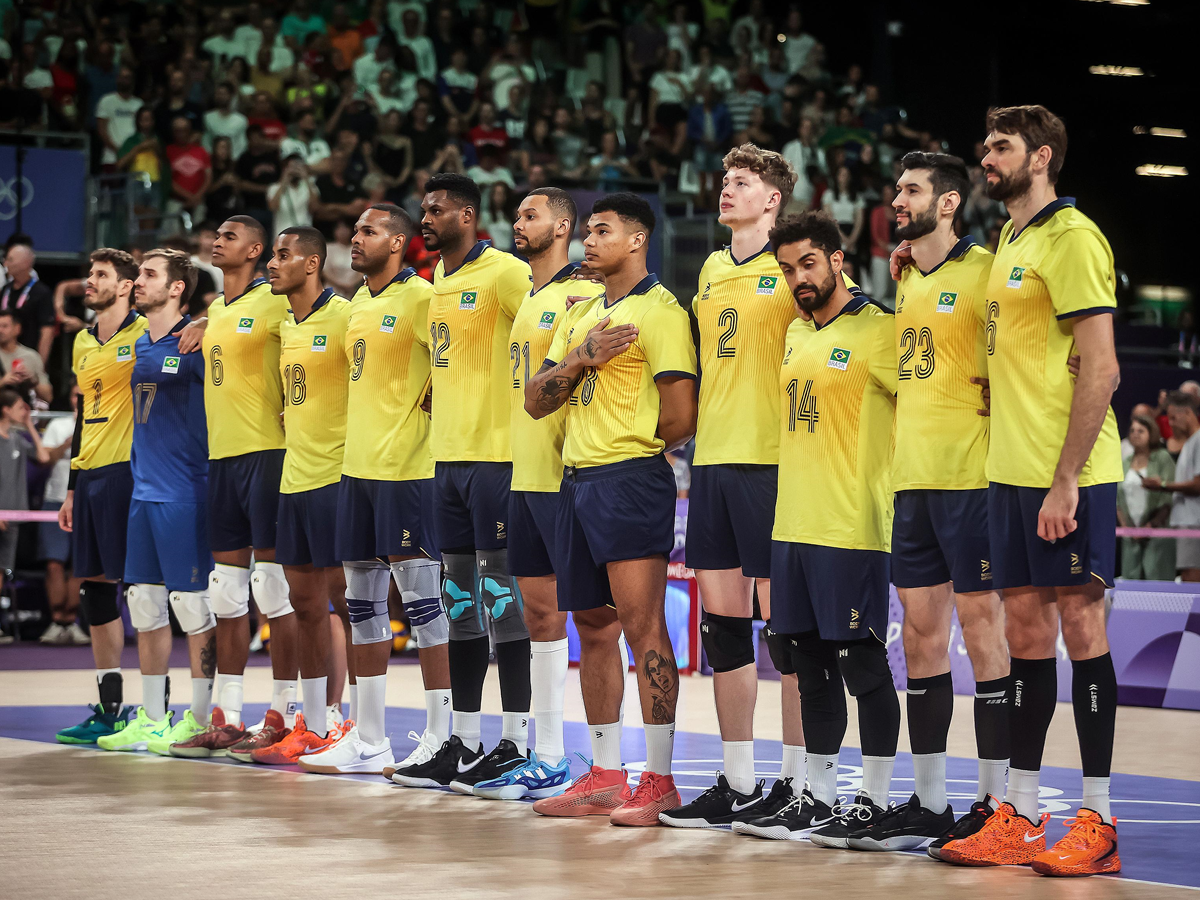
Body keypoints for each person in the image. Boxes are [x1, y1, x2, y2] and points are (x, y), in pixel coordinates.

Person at [937, 105, 1123, 878]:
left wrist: (1067, 478)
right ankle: (1020, 812)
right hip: (1008, 474)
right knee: (1023, 640)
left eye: (1002, 145)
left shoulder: (1073, 239)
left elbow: (1103, 367)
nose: (987, 155)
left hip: (1065, 475)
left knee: (1082, 631)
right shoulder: (1011, 240)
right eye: (985, 144)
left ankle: (1100, 819)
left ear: (1041, 157)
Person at [846, 152, 1009, 854]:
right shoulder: (908, 276)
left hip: (971, 481)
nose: (896, 199)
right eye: (896, 189)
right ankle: (932, 801)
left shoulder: (987, 270)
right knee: (918, 639)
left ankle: (999, 801)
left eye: (911, 190)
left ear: (948, 204)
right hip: (910, 483)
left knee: (983, 631)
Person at [525, 192, 697, 826]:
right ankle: (603, 772)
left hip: (628, 479)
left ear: (637, 241)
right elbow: (536, 400)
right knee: (591, 628)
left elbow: (681, 415)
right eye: (587, 231)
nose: (588, 243)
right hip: (574, 479)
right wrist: (581, 359)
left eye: (602, 232)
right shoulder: (581, 314)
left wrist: (630, 448)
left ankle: (659, 779)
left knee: (640, 625)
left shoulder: (662, 312)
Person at [660, 145, 806, 830]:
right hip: (713, 465)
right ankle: (738, 780)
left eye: (741, 183)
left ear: (772, 199)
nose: (726, 191)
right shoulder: (713, 268)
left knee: (790, 635)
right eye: (724, 181)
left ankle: (800, 783)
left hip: (775, 464)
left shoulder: (796, 264)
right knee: (723, 630)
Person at [742, 211, 899, 847]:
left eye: (807, 264)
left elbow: (929, 398)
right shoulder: (796, 334)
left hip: (853, 525)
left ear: (837, 259)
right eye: (785, 269)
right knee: (804, 664)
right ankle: (820, 794)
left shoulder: (880, 330)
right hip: (794, 525)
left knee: (860, 662)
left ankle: (880, 802)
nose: (797, 279)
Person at [393, 174, 535, 791]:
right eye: (423, 210)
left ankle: (518, 743)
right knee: (460, 609)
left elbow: (545, 324)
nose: (426, 218)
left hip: (498, 459)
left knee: (503, 605)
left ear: (469, 215)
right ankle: (465, 741)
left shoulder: (504, 272)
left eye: (437, 210)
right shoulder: (434, 283)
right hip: (443, 464)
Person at [300, 203, 450, 776]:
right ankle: (369, 739)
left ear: (399, 243)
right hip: (356, 472)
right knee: (361, 606)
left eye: (369, 231)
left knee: (423, 606)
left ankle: (440, 737)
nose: (355, 239)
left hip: (408, 472)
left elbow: (451, 369)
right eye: (356, 230)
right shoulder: (358, 302)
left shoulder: (421, 297)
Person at [473, 188, 607, 801]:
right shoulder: (528, 297)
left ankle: (583, 757)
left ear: (564, 225)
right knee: (537, 615)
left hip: (563, 474)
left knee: (589, 618)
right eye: (518, 216)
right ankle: (544, 753)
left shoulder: (582, 293)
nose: (518, 224)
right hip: (519, 473)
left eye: (531, 216)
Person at [169, 216, 300, 760]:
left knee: (274, 591)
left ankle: (287, 715)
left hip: (270, 455)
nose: (215, 242)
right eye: (214, 236)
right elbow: (224, 316)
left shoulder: (278, 300)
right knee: (226, 592)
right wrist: (204, 316)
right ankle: (227, 717)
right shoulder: (219, 309)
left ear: (255, 249)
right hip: (222, 459)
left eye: (227, 237)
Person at [96, 250, 218, 754]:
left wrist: (210, 319)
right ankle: (152, 719)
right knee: (144, 605)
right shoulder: (139, 341)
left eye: (148, 275)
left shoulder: (199, 338)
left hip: (186, 492)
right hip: (142, 492)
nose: (137, 283)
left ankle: (200, 718)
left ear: (176, 289)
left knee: (192, 606)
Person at [245, 227, 352, 764]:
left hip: (337, 478)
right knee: (304, 603)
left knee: (348, 603)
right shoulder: (286, 323)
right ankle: (309, 725)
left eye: (283, 256)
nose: (271, 263)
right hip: (294, 479)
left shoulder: (345, 316)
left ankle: (342, 717)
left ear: (312, 263)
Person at [53, 249, 145, 745]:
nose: (90, 282)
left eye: (101, 275)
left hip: (131, 474)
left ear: (127, 286)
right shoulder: (82, 342)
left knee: (148, 591)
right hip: (89, 476)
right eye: (90, 274)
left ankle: (159, 709)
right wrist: (71, 486)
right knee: (94, 590)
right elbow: (81, 416)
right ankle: (110, 710)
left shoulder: (146, 333)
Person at [38, 392, 86, 645]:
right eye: (76, 394)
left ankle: (71, 621)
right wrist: (71, 440)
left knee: (79, 565)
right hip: (55, 500)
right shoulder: (59, 425)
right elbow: (45, 460)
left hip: (86, 502)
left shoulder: (102, 423)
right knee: (54, 563)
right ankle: (57, 621)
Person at [0, 389, 49, 601]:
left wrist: (29, 424)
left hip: (13, 516)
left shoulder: (17, 439)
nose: (24, 412)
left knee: (2, 569)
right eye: (21, 408)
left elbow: (43, 456)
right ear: (6, 409)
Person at [1145, 392, 1200, 581]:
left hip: (1194, 522)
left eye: (1173, 418)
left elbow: (1198, 485)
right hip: (1189, 521)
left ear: (1187, 413)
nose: (1171, 423)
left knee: (1191, 578)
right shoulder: (1191, 442)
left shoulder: (1199, 440)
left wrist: (1162, 485)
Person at [1118, 415, 1175, 580]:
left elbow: (1168, 497)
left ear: (1152, 433)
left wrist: (1150, 526)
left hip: (1158, 533)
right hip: (1130, 535)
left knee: (1158, 585)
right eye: (1132, 430)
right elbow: (1118, 500)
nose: (1135, 434)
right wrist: (1127, 528)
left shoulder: (1162, 458)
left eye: (1141, 431)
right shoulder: (1125, 462)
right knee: (1130, 585)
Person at [0, 244, 55, 362]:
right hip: (3, 356)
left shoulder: (41, 293)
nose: (5, 264)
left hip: (29, 357)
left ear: (25, 263)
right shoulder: (5, 290)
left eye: (10, 260)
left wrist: (40, 363)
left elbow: (47, 332)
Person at [0, 310, 52, 402]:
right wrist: (3, 382)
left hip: (25, 409)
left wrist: (32, 381)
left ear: (17, 328)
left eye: (4, 326)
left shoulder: (31, 356)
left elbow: (48, 397)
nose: (0, 330)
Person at [268, 154, 319, 235]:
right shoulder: (274, 188)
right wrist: (284, 181)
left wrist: (306, 178)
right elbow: (273, 207)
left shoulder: (311, 187)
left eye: (298, 167)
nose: (295, 170)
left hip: (305, 235)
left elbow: (314, 209)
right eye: (292, 167)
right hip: (283, 234)